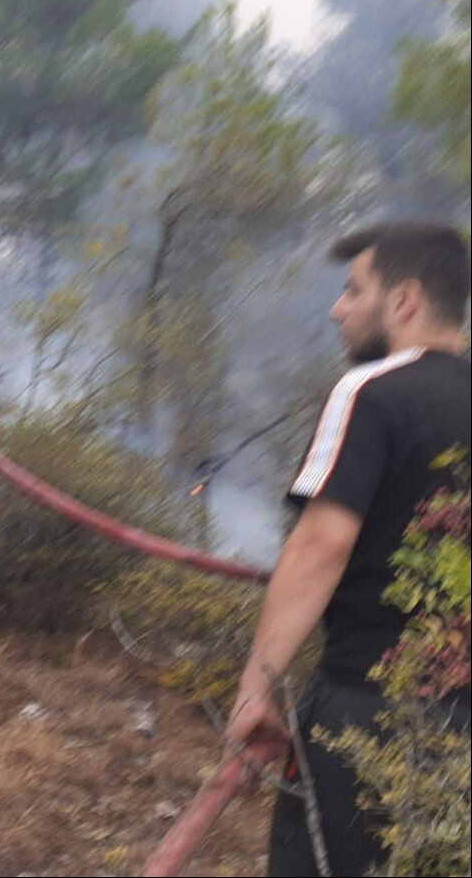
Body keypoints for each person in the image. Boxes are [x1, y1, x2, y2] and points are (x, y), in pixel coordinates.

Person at [224, 221, 471, 876]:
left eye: (353, 290)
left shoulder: (370, 390)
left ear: (404, 300)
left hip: (367, 711)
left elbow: (319, 547)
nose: (337, 309)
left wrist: (255, 688)